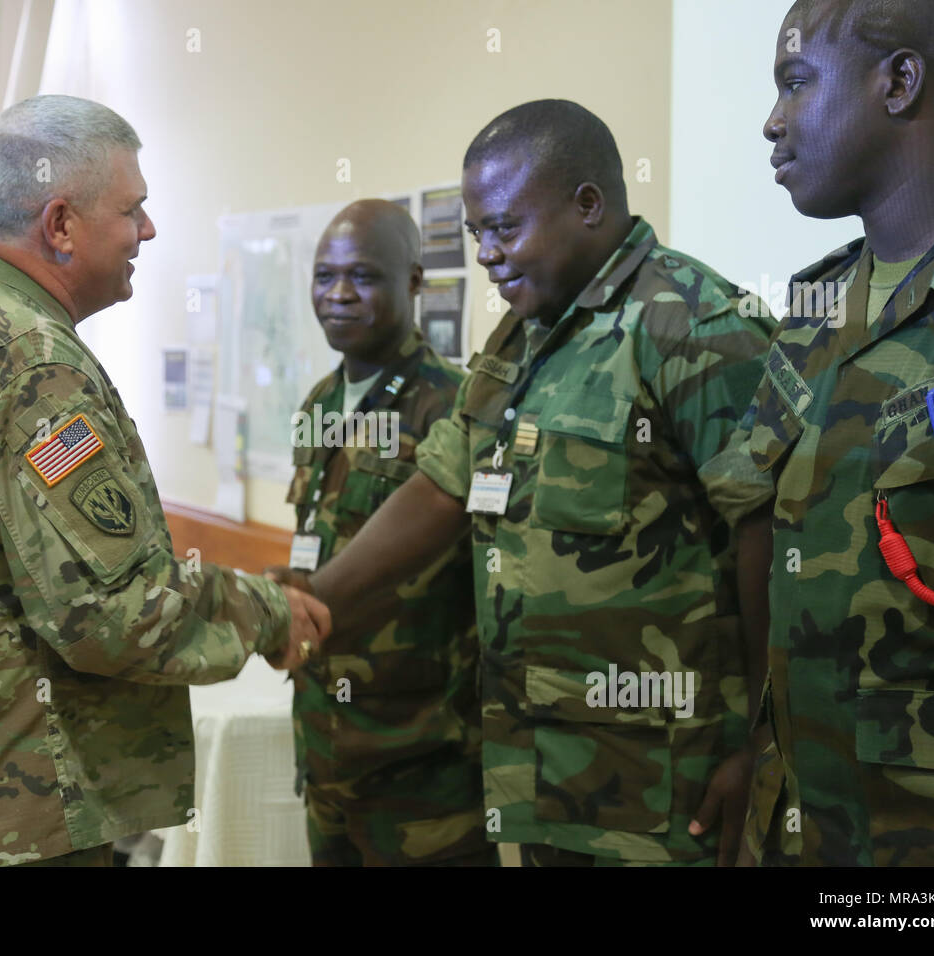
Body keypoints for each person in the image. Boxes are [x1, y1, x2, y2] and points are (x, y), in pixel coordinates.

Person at [0, 94, 329, 867]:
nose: (149, 232)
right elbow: (113, 613)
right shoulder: (29, 361)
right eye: (134, 210)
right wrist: (265, 612)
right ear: (60, 225)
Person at [274, 100, 776, 866]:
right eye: (477, 233)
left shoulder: (694, 325)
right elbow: (441, 488)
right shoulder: (521, 336)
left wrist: (761, 745)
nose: (486, 254)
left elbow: (768, 533)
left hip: (664, 790)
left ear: (588, 205)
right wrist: (311, 604)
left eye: (505, 227)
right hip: (540, 775)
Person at [743, 0, 934, 866]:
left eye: (796, 82)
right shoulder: (812, 312)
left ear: (900, 81)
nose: (772, 122)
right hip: (805, 824)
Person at [280, 199, 493, 866]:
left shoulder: (453, 408)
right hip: (326, 740)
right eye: (324, 275)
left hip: (420, 759)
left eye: (364, 277)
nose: (338, 295)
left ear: (414, 284)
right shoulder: (320, 401)